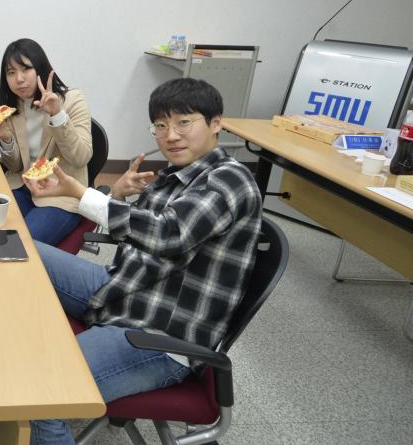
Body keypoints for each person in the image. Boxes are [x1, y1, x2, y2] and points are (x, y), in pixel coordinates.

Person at [22, 78, 262, 445]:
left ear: (216, 123)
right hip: (127, 290)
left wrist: (84, 195)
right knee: (21, 251)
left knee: (44, 391)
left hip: (161, 335)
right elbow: (139, 234)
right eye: (161, 125)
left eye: (184, 122)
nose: (171, 135)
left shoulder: (230, 181)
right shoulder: (179, 174)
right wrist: (115, 194)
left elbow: (168, 234)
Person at [0, 38, 92, 246]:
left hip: (60, 193)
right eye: (11, 72)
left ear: (40, 68)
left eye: (26, 69)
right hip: (22, 186)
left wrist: (57, 115)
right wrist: (5, 138)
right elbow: (15, 167)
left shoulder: (72, 100)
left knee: (18, 245)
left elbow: (81, 158)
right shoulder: (13, 107)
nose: (19, 79)